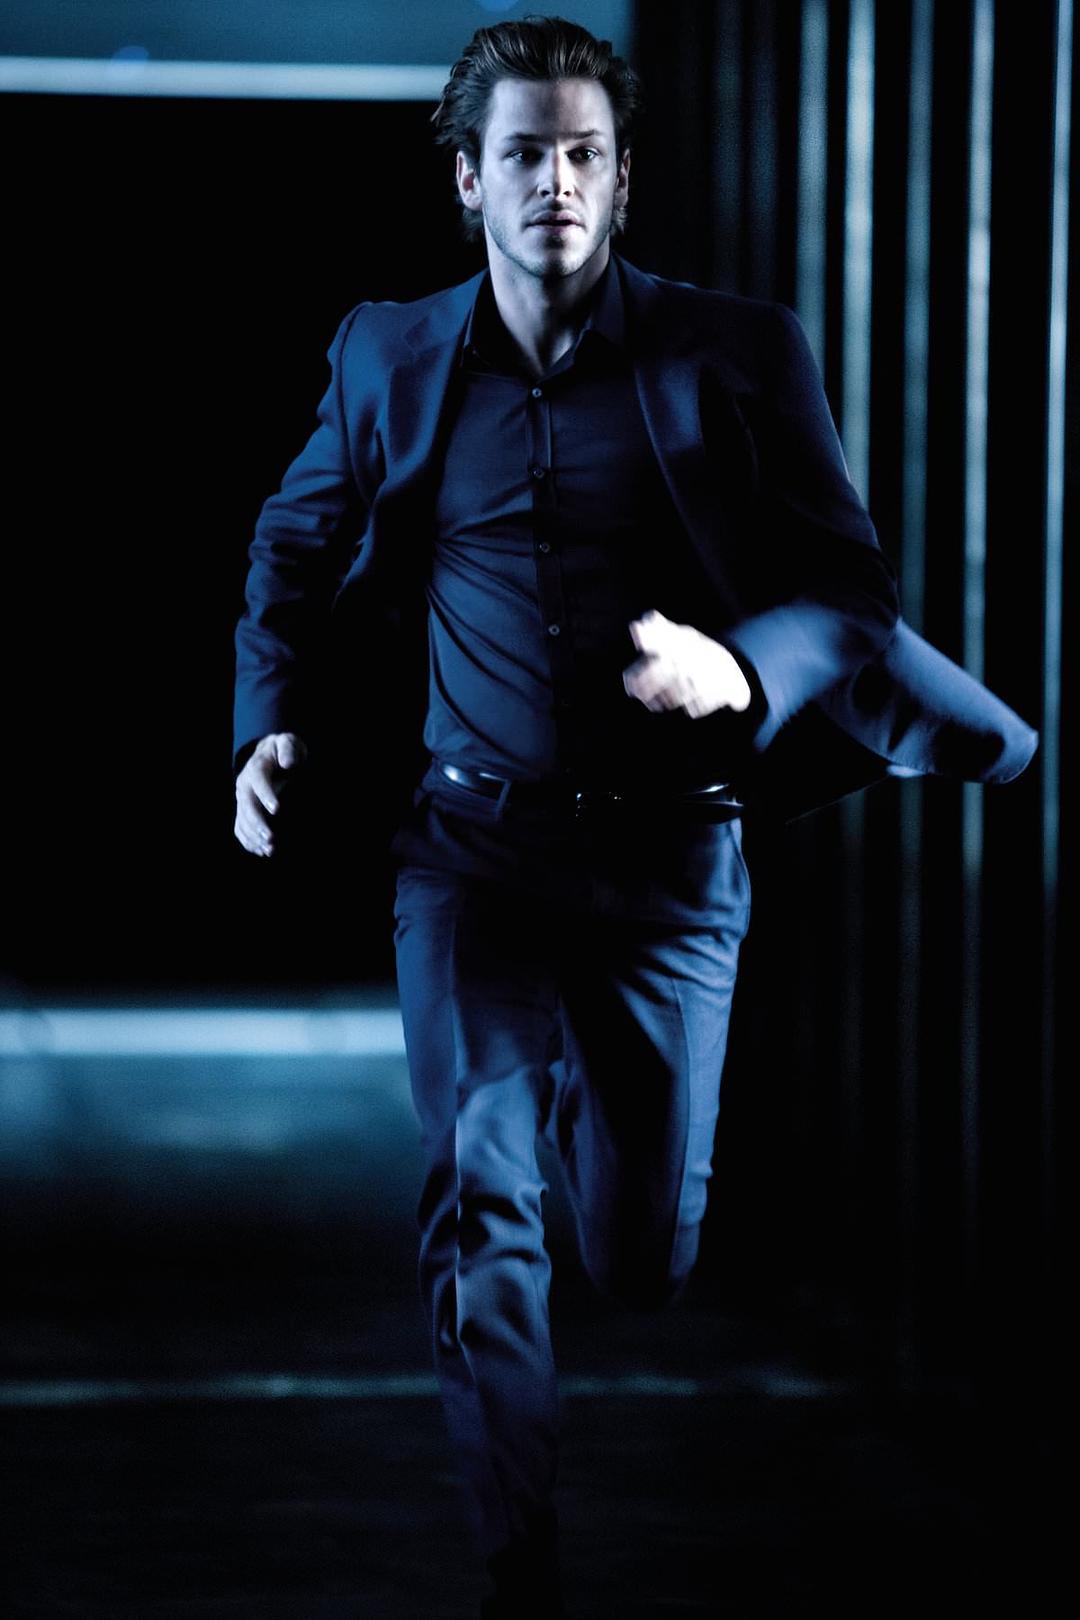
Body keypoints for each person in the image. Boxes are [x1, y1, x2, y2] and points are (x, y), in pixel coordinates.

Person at [232, 17, 1036, 1616]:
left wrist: (734, 665)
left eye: (585, 154)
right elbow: (293, 548)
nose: (558, 182)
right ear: (470, 181)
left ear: (619, 180)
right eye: (526, 153)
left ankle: (587, 1123)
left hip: (670, 867)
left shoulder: (735, 353)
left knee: (640, 1259)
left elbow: (851, 596)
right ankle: (517, 1565)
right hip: (471, 854)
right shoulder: (389, 354)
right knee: (481, 1202)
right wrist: (267, 724)